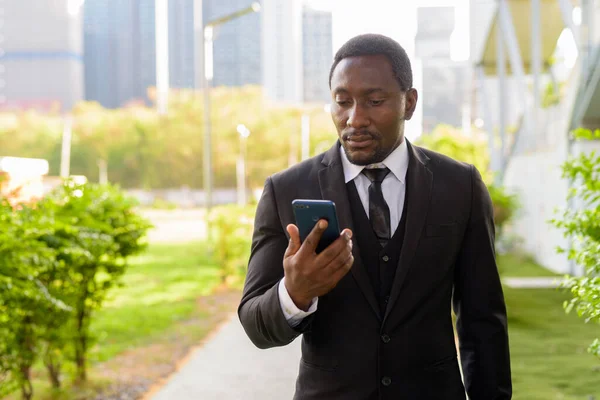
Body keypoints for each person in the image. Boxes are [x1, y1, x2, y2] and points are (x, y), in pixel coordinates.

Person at [238, 33, 511, 400]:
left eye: (375, 101)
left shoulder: (460, 186)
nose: (355, 118)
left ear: (409, 103)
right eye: (342, 102)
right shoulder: (286, 190)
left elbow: (483, 321)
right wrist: (294, 293)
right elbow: (256, 325)